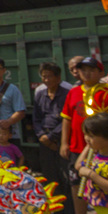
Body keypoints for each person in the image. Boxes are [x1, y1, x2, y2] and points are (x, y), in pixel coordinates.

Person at [60, 56, 108, 214]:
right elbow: (66, 119)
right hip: (77, 146)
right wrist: (64, 142)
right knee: (75, 182)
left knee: (101, 184)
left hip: (102, 150)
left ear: (100, 72)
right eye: (82, 70)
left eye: (91, 69)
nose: (86, 73)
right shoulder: (73, 93)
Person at [33, 62, 71, 205]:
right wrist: (42, 136)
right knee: (50, 174)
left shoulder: (67, 94)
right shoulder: (40, 94)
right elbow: (36, 118)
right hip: (44, 139)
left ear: (58, 77)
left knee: (65, 175)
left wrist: (51, 137)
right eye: (44, 77)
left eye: (49, 76)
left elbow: (67, 119)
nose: (46, 80)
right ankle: (55, 208)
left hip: (61, 139)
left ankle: (70, 213)